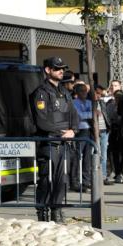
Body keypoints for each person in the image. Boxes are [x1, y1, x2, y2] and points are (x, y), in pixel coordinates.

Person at [30, 57, 76, 223]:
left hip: (63, 144)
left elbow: (73, 115)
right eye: (57, 68)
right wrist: (60, 133)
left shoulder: (64, 92)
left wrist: (73, 130)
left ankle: (57, 211)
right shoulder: (41, 93)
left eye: (62, 68)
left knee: (62, 180)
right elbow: (41, 120)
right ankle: (43, 212)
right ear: (48, 70)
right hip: (49, 143)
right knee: (46, 180)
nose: (61, 71)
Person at [70, 83, 93, 192]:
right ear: (77, 93)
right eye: (82, 91)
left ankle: (86, 180)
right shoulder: (74, 102)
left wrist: (89, 114)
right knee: (77, 156)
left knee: (87, 157)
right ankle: (74, 181)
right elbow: (79, 115)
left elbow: (95, 113)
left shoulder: (89, 102)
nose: (84, 93)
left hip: (88, 130)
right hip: (79, 130)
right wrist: (90, 114)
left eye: (85, 91)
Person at [108, 81, 123, 183]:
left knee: (122, 153)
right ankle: (116, 172)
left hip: (122, 132)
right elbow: (109, 117)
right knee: (114, 153)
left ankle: (121, 172)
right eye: (116, 97)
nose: (118, 99)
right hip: (114, 131)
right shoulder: (110, 105)